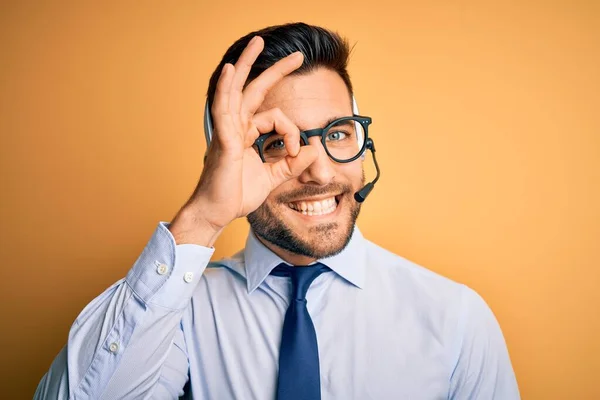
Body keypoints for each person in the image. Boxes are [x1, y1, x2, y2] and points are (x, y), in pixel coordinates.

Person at [34, 23, 520, 399]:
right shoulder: (177, 316)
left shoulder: (456, 319)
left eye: (337, 134)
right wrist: (203, 216)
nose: (319, 170)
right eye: (275, 142)